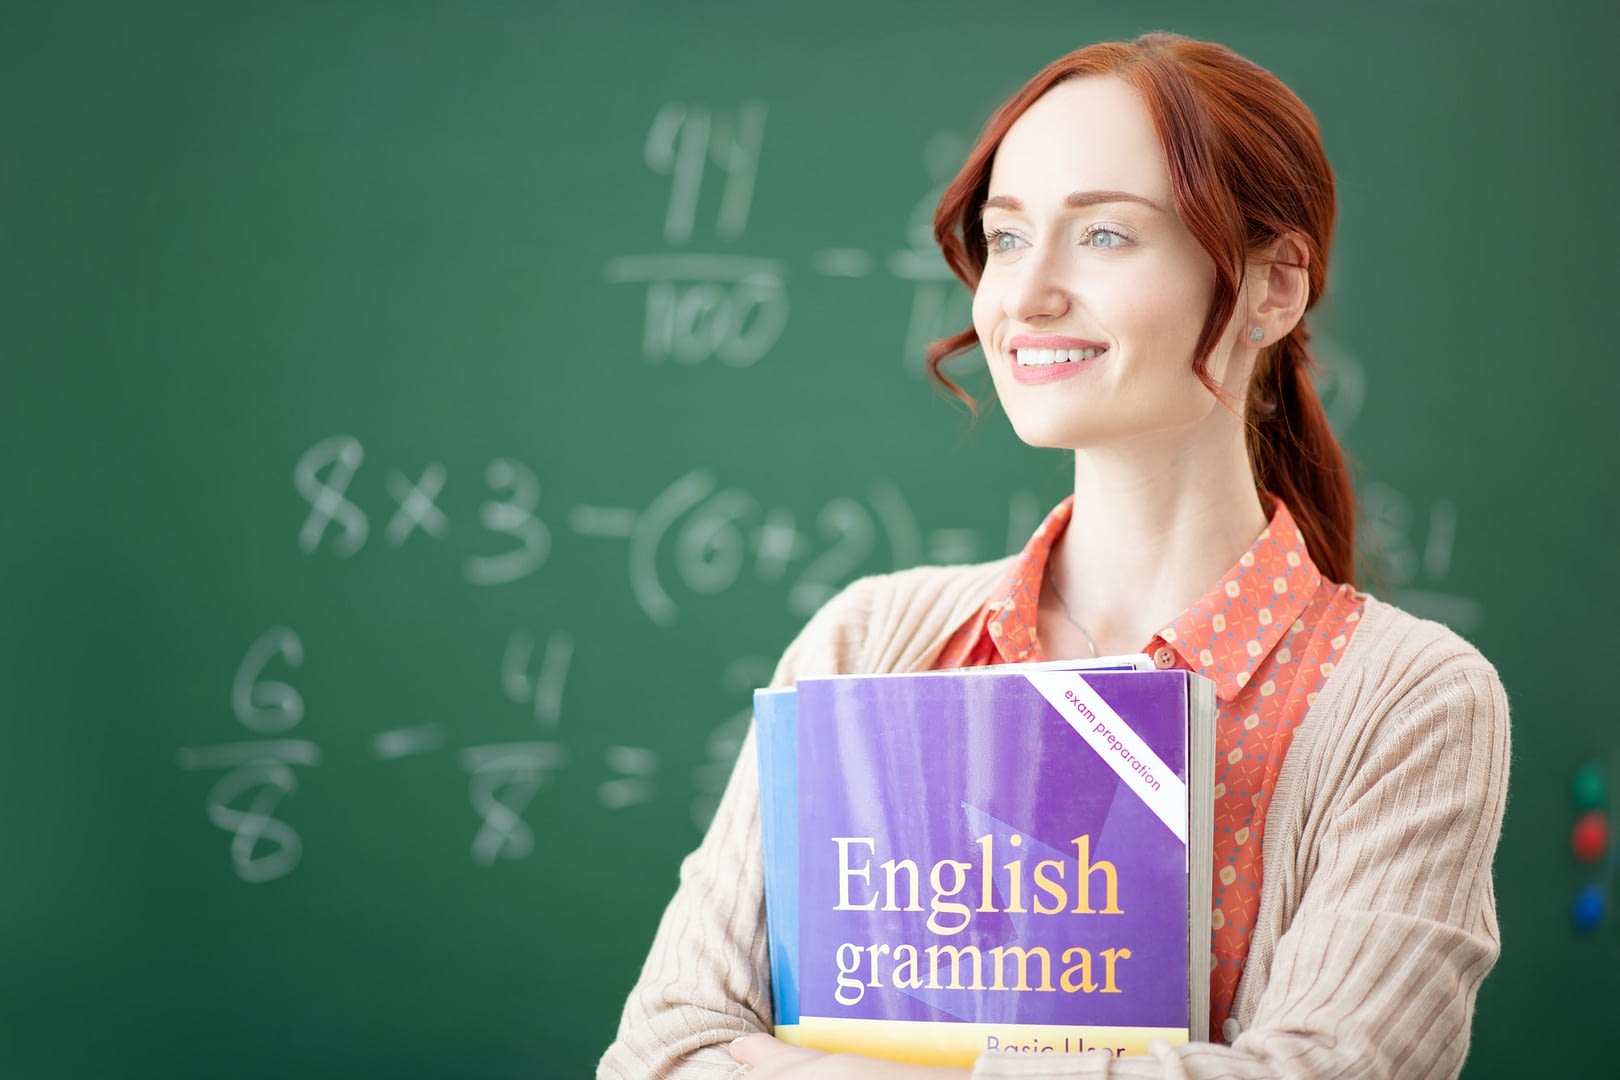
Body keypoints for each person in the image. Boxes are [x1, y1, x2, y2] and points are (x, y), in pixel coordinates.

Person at [599, 31, 1509, 1080]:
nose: (1024, 295)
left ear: (1274, 286)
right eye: (1006, 236)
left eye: (1105, 235)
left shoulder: (1411, 702)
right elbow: (663, 1052)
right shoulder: (864, 643)